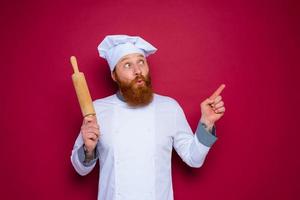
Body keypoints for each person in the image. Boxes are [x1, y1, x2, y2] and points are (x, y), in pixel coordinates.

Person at [71, 35, 226, 200]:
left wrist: (207, 123)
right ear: (114, 76)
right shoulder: (97, 110)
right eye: (127, 65)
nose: (138, 71)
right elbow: (81, 170)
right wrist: (88, 149)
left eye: (141, 62)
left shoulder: (169, 107)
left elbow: (194, 159)